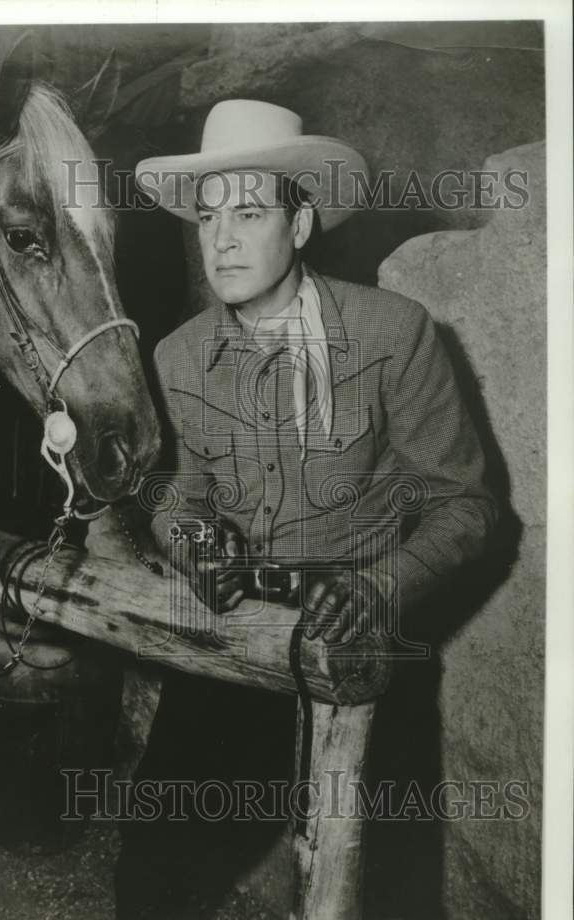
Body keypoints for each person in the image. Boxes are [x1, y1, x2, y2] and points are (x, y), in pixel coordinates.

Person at [136, 99, 497, 639]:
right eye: (208, 217)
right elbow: (178, 504)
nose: (221, 239)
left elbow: (464, 507)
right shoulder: (178, 355)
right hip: (226, 640)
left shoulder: (394, 332)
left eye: (249, 214)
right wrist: (199, 553)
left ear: (299, 225)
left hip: (348, 647)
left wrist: (380, 586)